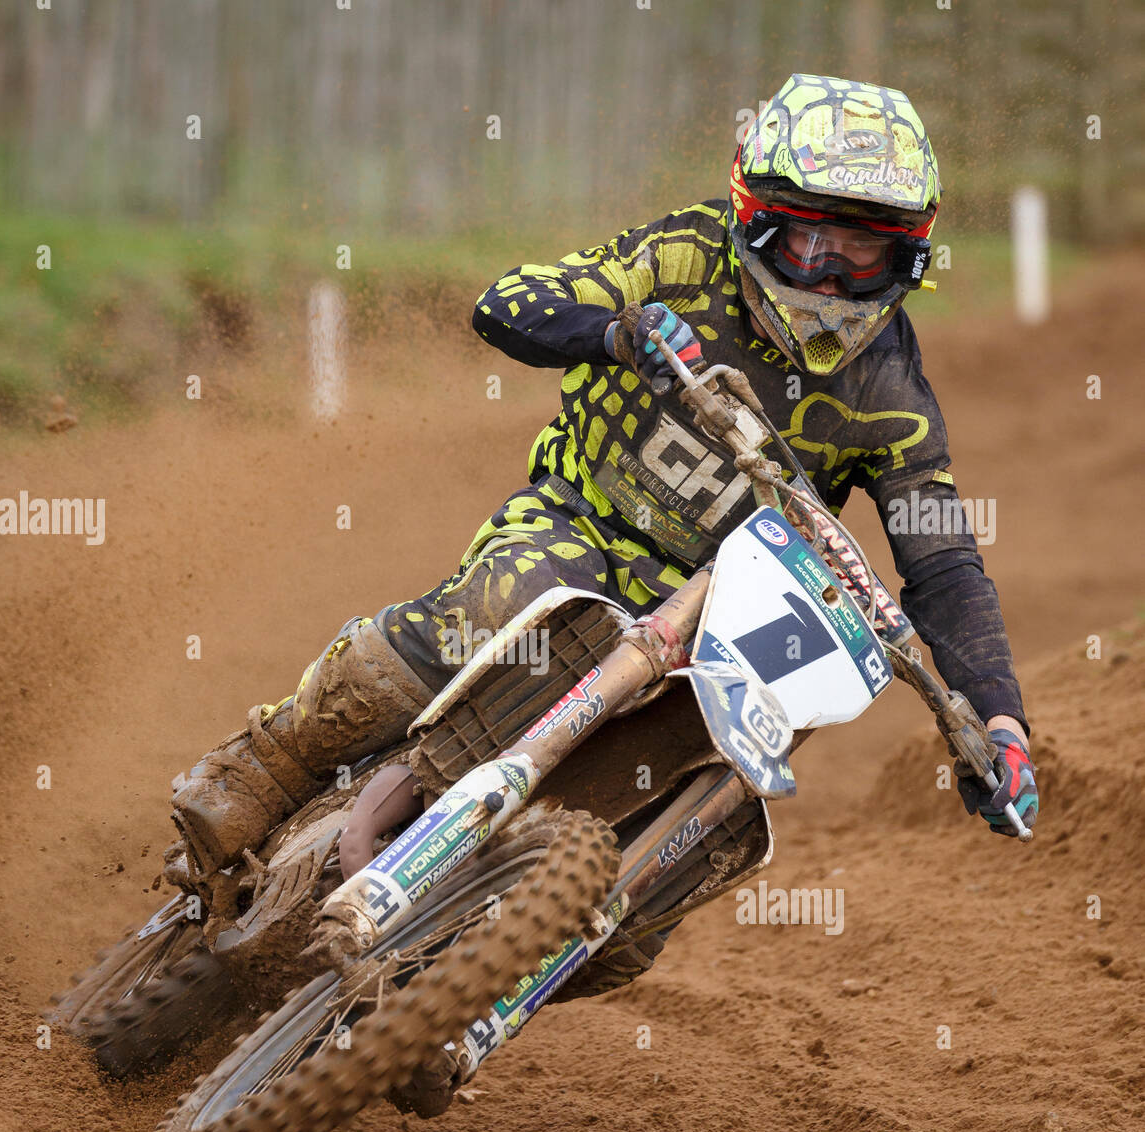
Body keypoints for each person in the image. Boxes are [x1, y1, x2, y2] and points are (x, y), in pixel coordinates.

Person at [167, 72, 1038, 914]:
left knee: (700, 822)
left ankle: (531, 956)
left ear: (908, 257)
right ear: (757, 221)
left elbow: (945, 565)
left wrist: (999, 725)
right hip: (583, 520)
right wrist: (617, 333)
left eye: (866, 254)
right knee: (502, 600)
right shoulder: (683, 257)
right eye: (815, 245)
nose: (834, 281)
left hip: (719, 616)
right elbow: (509, 302)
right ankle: (265, 765)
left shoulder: (893, 397)